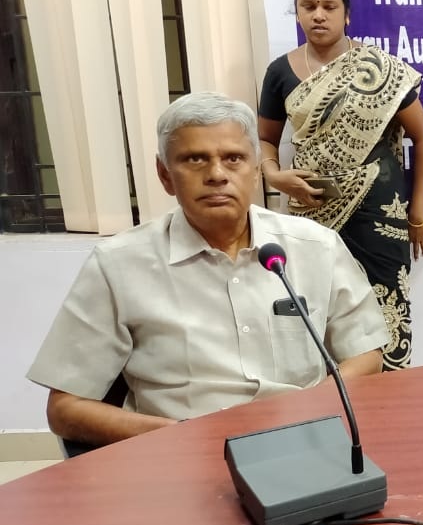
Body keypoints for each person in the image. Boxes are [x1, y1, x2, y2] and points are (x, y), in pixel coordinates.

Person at [27, 92, 390, 449]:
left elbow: (365, 354)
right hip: (181, 454)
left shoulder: (316, 247)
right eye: (195, 159)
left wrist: (311, 411)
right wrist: (175, 436)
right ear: (165, 174)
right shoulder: (118, 265)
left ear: (255, 171)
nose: (217, 174)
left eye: (233, 158)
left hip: (302, 443)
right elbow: (65, 408)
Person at [258, 0, 423, 370]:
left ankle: (388, 401)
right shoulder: (280, 72)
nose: (318, 15)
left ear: (347, 14)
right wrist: (275, 175)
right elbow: (265, 138)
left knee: (386, 309)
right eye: (308, 6)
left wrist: (417, 213)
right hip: (310, 213)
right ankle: (325, 401)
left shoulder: (381, 69)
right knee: (316, 310)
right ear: (297, 12)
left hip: (379, 214)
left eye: (329, 6)